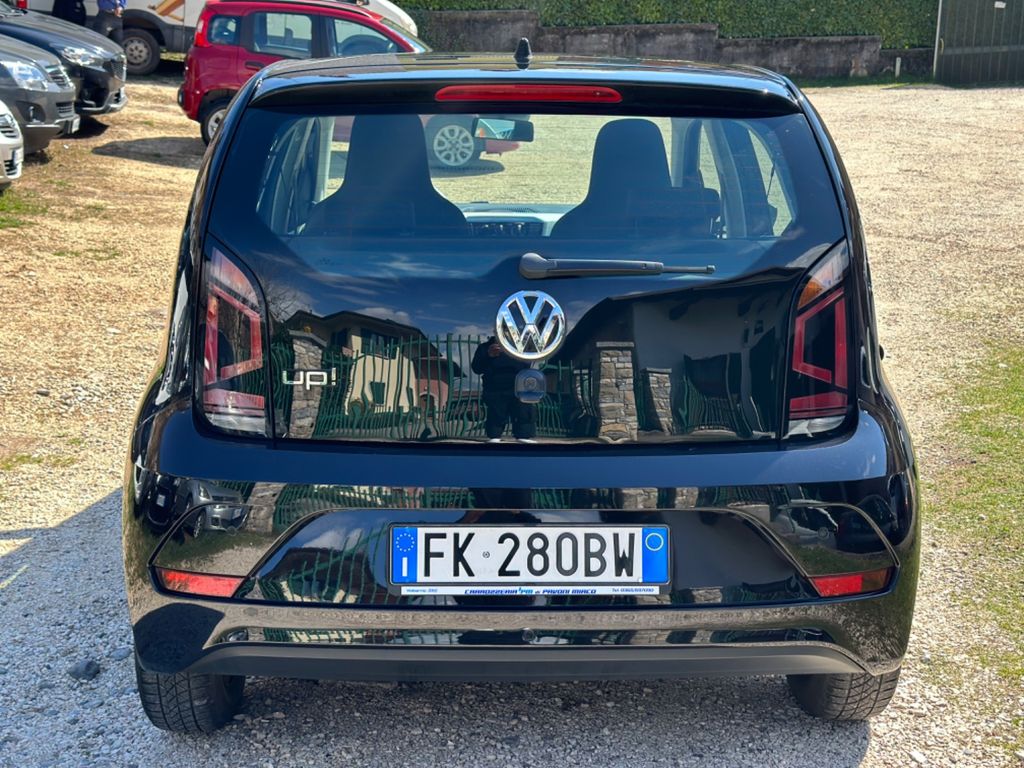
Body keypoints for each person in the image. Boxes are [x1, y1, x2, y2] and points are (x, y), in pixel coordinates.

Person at [470, 336, 537, 442]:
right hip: (495, 387)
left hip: (519, 385)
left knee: (523, 411)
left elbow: (529, 363)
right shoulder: (485, 347)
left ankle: (523, 436)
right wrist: (488, 355)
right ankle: (494, 436)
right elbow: (476, 368)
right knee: (496, 412)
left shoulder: (520, 346)